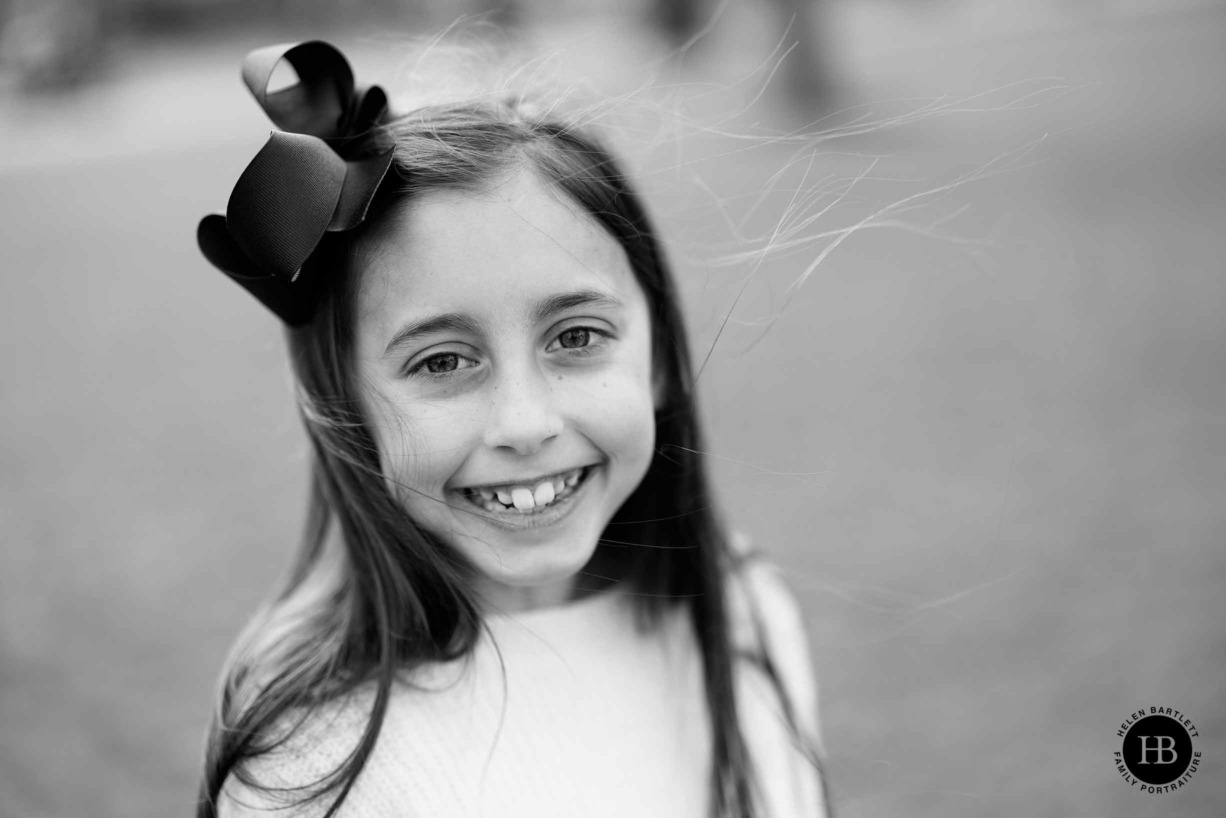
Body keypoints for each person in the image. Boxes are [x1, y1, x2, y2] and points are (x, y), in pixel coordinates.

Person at [195, 40, 829, 818]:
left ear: (659, 356)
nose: (525, 425)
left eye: (576, 338)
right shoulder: (311, 756)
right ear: (345, 403)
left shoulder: (744, 610)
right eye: (441, 361)